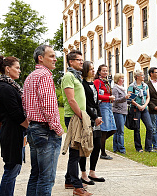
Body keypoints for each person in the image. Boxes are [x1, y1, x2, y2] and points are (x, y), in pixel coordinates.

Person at [23, 45, 64, 196]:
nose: (55, 59)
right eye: (52, 56)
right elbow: (48, 105)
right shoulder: (45, 75)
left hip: (34, 129)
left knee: (35, 175)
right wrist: (57, 129)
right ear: (41, 58)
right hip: (46, 131)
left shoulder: (30, 77)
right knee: (46, 179)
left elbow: (24, 104)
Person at [0, 56, 29, 196]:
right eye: (17, 68)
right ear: (8, 69)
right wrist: (28, 127)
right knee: (11, 169)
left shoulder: (10, 86)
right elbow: (16, 114)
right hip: (11, 134)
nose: (19, 71)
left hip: (16, 133)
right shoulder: (5, 88)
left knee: (14, 169)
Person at [61, 50, 93, 196]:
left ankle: (69, 180)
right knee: (75, 152)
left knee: (76, 151)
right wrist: (82, 116)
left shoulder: (76, 76)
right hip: (74, 117)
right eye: (78, 60)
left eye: (82, 59)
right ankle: (77, 187)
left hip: (79, 116)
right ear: (71, 62)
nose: (82, 62)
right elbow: (71, 100)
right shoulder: (68, 76)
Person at [79, 61, 105, 185]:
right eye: (91, 69)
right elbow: (85, 104)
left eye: (94, 69)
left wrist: (99, 116)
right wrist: (95, 117)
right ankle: (83, 174)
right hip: (87, 116)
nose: (93, 71)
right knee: (85, 145)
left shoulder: (93, 84)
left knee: (97, 144)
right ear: (85, 71)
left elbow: (96, 101)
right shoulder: (82, 84)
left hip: (95, 117)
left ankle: (92, 171)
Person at [128, 70, 156, 153]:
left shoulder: (145, 86)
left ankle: (148, 147)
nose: (143, 76)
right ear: (137, 77)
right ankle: (138, 148)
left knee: (150, 127)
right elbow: (130, 99)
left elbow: (148, 97)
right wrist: (138, 105)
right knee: (137, 128)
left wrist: (144, 106)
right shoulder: (132, 86)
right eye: (142, 75)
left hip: (144, 109)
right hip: (135, 109)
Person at [93, 65, 116, 160]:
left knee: (113, 129)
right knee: (104, 130)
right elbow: (97, 95)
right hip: (102, 106)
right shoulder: (97, 81)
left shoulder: (106, 82)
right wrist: (108, 98)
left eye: (106, 71)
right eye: (103, 71)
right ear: (99, 72)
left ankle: (96, 143)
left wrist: (110, 99)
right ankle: (102, 152)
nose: (105, 72)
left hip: (109, 105)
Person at [112, 73, 131, 154]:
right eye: (121, 78)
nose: (123, 80)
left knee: (118, 130)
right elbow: (115, 100)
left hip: (123, 111)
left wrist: (129, 99)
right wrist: (125, 98)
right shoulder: (115, 89)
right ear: (117, 79)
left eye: (123, 78)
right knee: (120, 131)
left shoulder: (123, 89)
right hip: (118, 111)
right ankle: (121, 148)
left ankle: (116, 147)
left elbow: (123, 100)